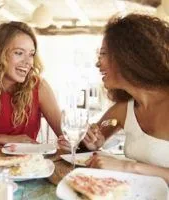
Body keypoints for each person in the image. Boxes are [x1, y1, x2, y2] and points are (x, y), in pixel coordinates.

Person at [59, 13, 169, 183]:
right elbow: (96, 136)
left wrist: (128, 167)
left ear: (129, 56)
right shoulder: (123, 110)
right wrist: (90, 143)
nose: (97, 63)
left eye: (103, 54)